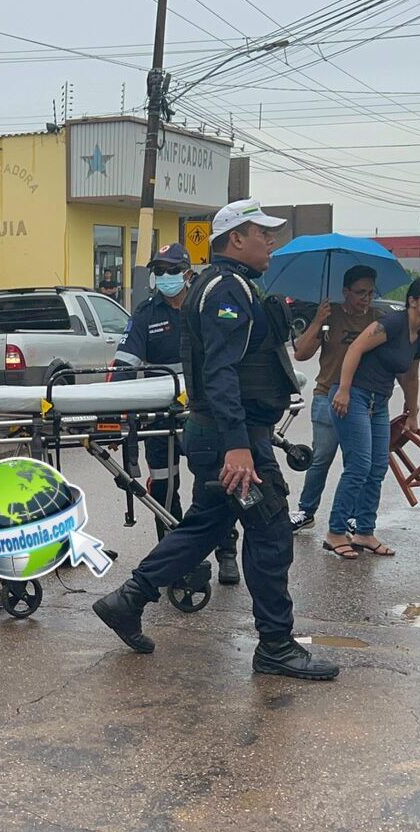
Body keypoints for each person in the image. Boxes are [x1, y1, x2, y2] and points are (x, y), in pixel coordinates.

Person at [91, 198, 339, 681]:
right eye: (262, 234)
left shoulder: (229, 285)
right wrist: (238, 445)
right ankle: (276, 646)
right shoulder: (226, 289)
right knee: (270, 531)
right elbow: (220, 372)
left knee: (206, 525)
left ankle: (128, 600)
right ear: (236, 239)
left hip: (223, 432)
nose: (271, 241)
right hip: (233, 436)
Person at [111, 243, 242, 586]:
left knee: (215, 486)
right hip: (160, 416)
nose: (164, 276)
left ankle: (226, 549)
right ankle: (175, 555)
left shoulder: (205, 304)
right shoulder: (146, 314)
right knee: (164, 487)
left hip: (206, 413)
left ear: (186, 273)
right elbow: (124, 365)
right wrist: (110, 408)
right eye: (159, 270)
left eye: (172, 270)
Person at [323, 277, 420, 560]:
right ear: (412, 301)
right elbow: (355, 349)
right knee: (359, 466)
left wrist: (412, 413)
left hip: (379, 403)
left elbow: (410, 377)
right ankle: (335, 532)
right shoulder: (391, 324)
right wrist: (343, 390)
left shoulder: (419, 336)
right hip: (353, 397)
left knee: (377, 468)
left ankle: (364, 531)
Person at [288, 265, 382, 533]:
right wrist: (318, 321)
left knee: (358, 463)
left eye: (370, 292)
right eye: (360, 292)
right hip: (326, 396)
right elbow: (301, 354)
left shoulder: (378, 319)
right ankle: (306, 510)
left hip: (362, 400)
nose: (366, 298)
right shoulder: (331, 316)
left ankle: (351, 516)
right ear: (345, 292)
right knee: (321, 459)